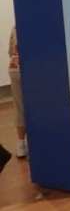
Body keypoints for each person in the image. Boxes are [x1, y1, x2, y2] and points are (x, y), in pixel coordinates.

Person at [8, 27, 26, 158]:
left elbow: (11, 52)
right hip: (34, 68)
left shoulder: (16, 27)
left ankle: (21, 143)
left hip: (16, 69)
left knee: (19, 107)